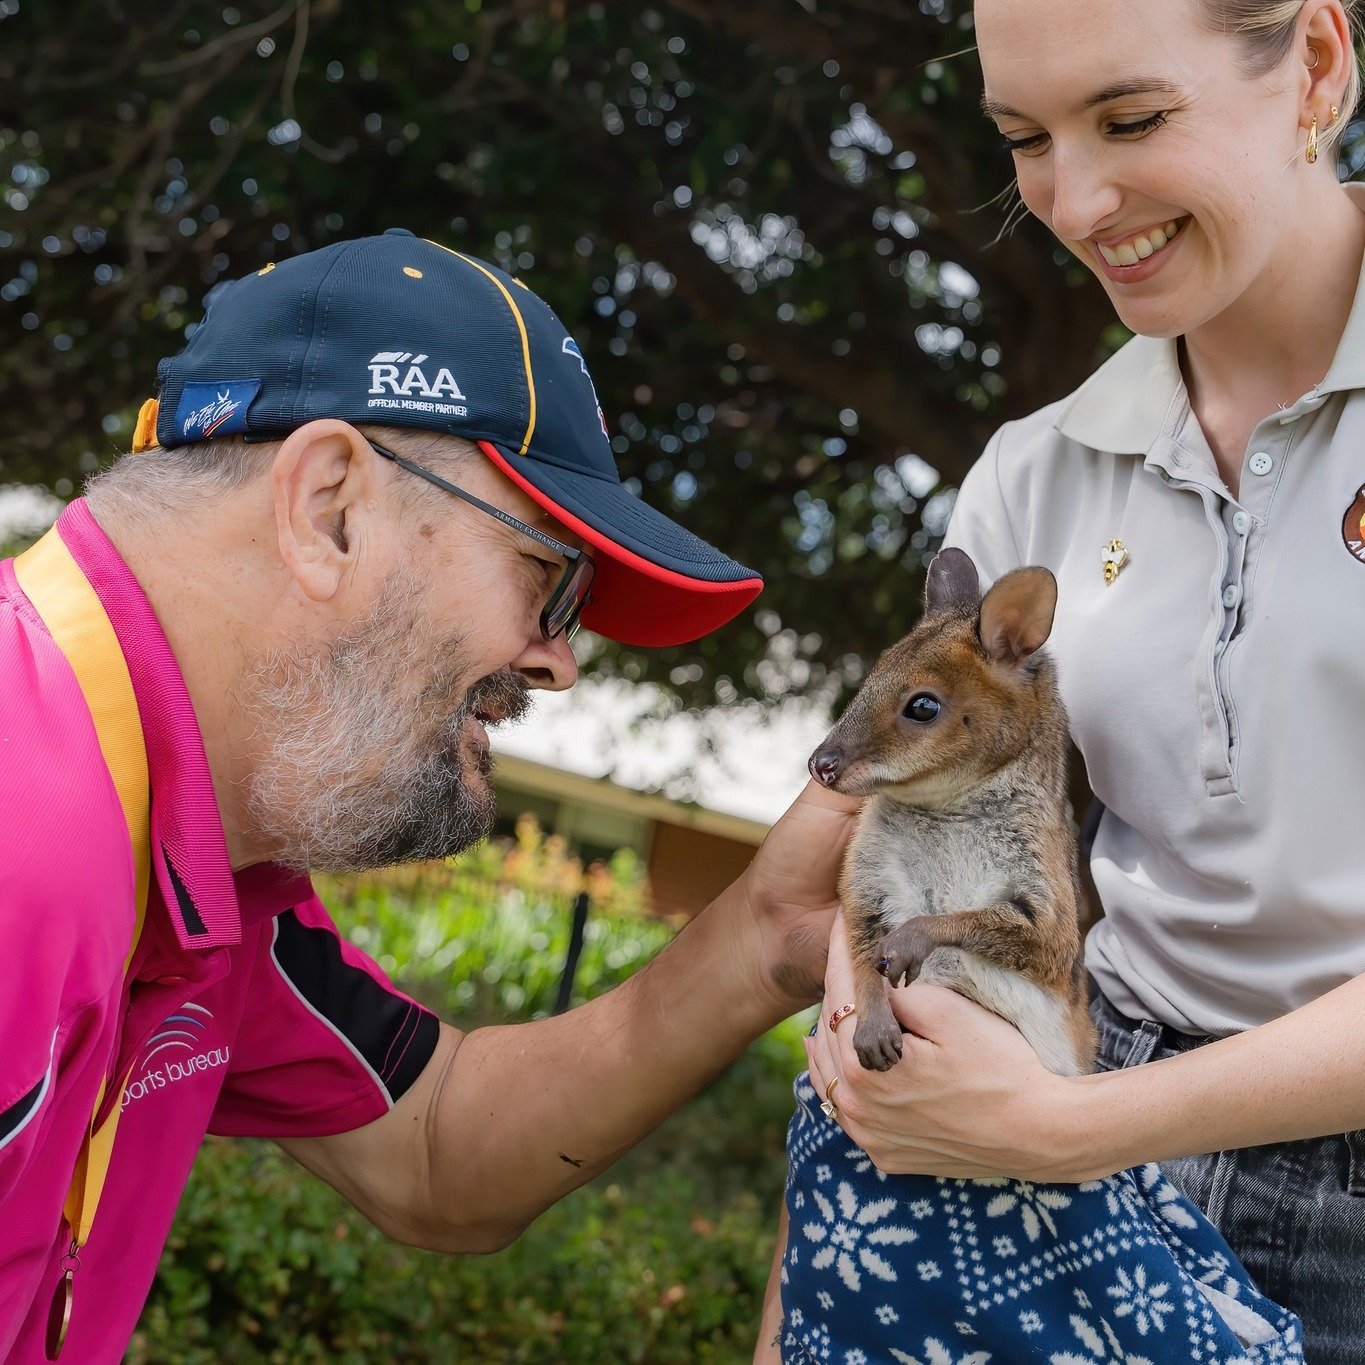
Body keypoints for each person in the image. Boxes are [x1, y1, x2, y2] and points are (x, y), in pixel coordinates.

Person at [0, 229, 860, 1363]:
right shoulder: (27, 841)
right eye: (549, 580)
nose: (562, 662)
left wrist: (764, 938)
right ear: (330, 508)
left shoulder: (192, 850)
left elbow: (436, 1149)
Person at [762, 0, 1365, 1361]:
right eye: (1024, 137)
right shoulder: (1039, 467)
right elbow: (868, 903)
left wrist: (1067, 1127)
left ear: (1314, 63)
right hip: (1064, 1076)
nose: (1074, 200)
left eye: (1132, 119)